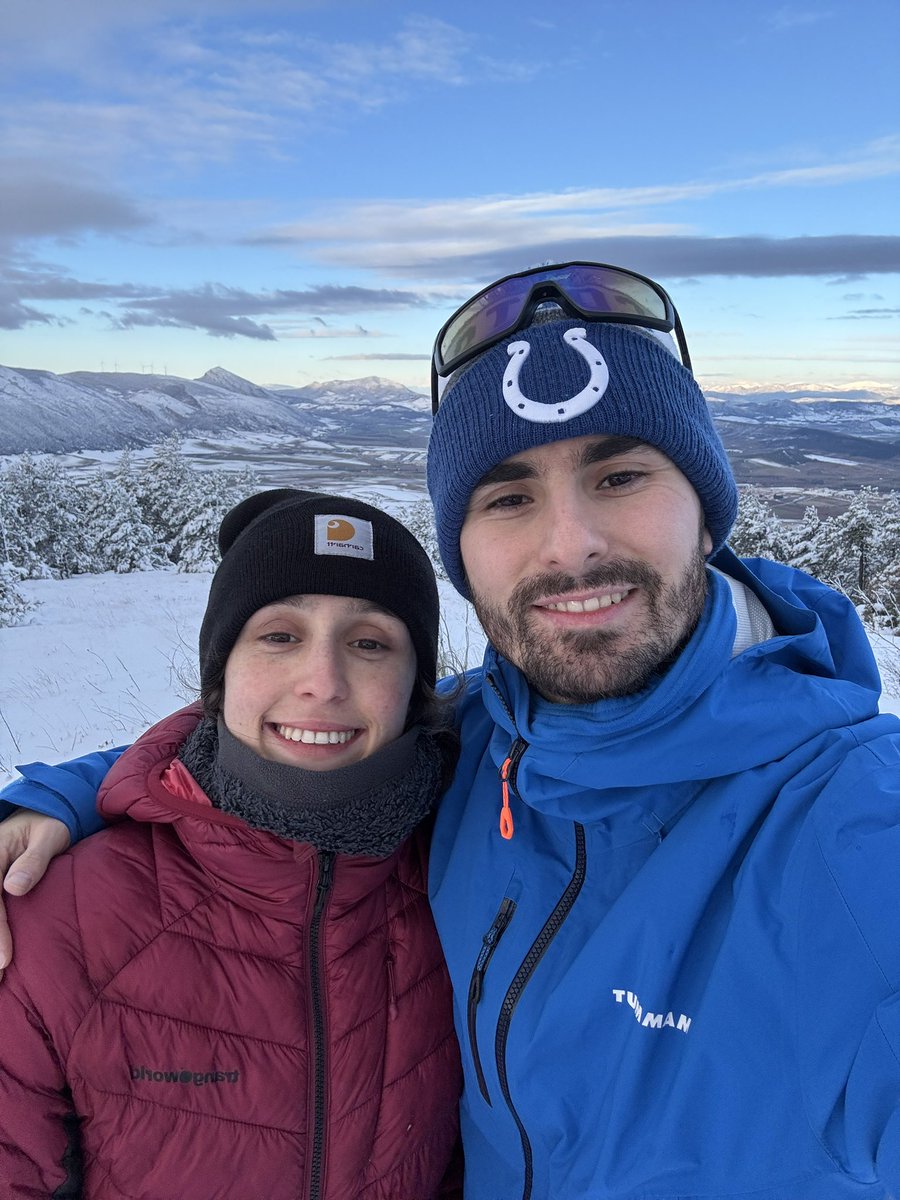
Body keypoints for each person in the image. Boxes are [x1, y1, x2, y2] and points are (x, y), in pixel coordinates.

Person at [3, 260, 900, 1200]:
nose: (569, 544)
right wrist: (59, 797)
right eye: (509, 497)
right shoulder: (475, 743)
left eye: (622, 473)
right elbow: (280, 754)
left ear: (707, 511)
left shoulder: (852, 826)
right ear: (463, 556)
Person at [0, 487, 462, 1198]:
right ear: (220, 676)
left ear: (416, 688)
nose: (323, 684)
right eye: (279, 636)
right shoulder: (57, 919)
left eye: (370, 643)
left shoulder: (472, 875)